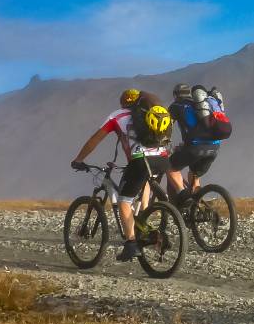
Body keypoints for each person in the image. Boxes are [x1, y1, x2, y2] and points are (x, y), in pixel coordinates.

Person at [71, 87, 172, 261]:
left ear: (123, 102)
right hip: (163, 158)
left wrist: (79, 159)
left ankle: (131, 244)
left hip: (141, 161)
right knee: (143, 183)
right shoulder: (149, 112)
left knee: (124, 201)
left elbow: (95, 139)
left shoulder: (117, 116)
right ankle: (144, 224)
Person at [168, 84, 228, 201]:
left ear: (175, 95)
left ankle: (182, 194)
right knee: (194, 172)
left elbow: (166, 126)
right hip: (214, 147)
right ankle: (197, 203)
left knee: (170, 165)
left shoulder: (176, 105)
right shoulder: (200, 105)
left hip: (194, 147)